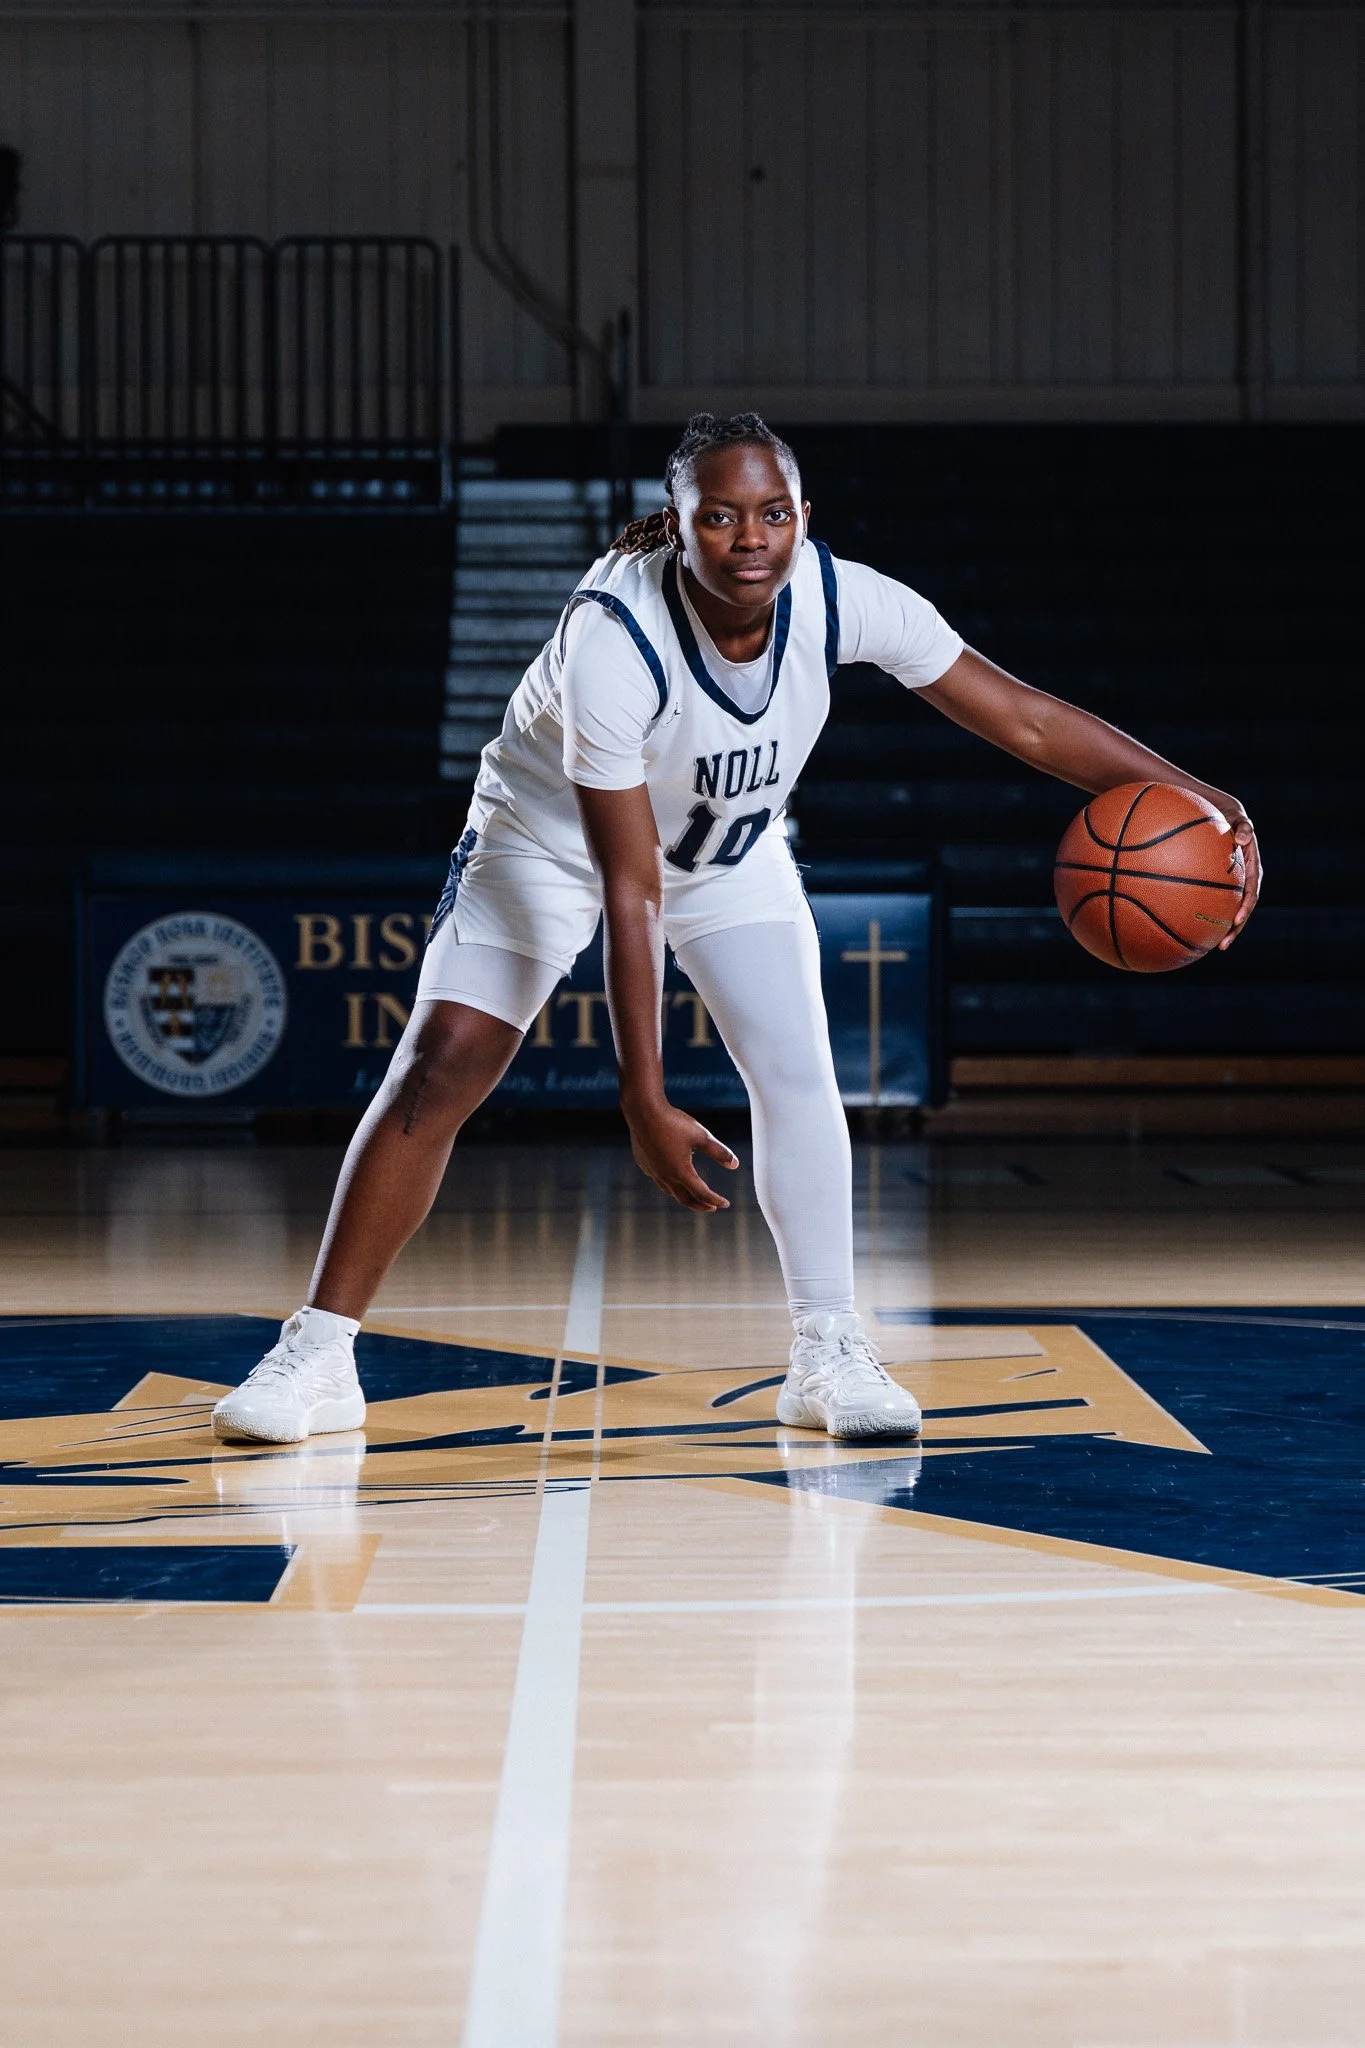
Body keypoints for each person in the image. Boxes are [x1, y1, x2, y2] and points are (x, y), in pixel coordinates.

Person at [211, 412, 1261, 1447]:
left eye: (771, 513)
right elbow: (631, 892)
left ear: (806, 518)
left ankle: (828, 1348)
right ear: (676, 525)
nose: (749, 536)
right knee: (444, 1062)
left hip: (726, 852)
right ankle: (320, 1350)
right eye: (719, 515)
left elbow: (1024, 718)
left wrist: (1209, 801)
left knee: (799, 1069)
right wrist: (644, 1095)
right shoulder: (611, 640)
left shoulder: (844, 596)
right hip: (549, 840)